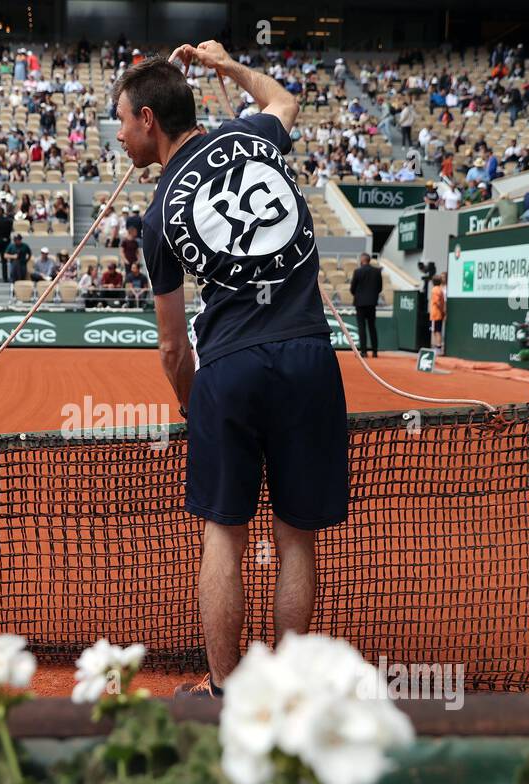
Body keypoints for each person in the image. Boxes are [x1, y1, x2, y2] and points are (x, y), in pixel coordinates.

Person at [120, 44, 348, 698]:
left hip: (229, 368)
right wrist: (225, 65)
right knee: (296, 538)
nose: (121, 135)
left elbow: (171, 348)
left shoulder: (159, 213)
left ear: (148, 120)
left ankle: (225, 693)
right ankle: (293, 693)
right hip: (308, 354)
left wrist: (198, 406)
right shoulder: (252, 133)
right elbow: (284, 99)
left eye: (124, 124)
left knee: (224, 537)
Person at [349, 252, 383, 357]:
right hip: (372, 303)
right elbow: (379, 288)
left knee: (362, 327)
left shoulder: (358, 271)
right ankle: (375, 352)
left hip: (360, 303)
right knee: (372, 327)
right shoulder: (377, 271)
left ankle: (363, 352)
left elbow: (352, 288)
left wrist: (358, 295)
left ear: (362, 260)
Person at [429, 271, 446, 351]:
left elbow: (437, 302)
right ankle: (437, 346)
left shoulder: (434, 290)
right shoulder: (440, 290)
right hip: (438, 314)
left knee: (437, 331)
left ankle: (438, 346)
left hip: (436, 314)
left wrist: (441, 310)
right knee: (437, 330)